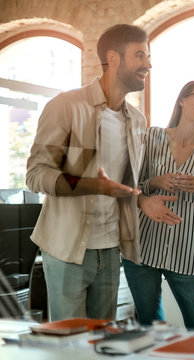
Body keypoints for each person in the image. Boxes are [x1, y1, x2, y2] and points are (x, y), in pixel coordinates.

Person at [25, 24, 178, 321]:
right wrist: (90, 185)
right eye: (140, 55)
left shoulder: (136, 120)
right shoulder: (67, 106)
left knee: (100, 342)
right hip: (67, 248)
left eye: (148, 56)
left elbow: (123, 183)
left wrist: (141, 199)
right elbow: (36, 174)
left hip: (110, 249)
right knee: (70, 345)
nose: (148, 64)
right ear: (114, 57)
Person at [122, 80, 194, 328]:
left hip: (188, 255)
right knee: (151, 328)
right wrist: (155, 181)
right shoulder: (151, 136)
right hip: (143, 250)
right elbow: (128, 188)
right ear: (182, 100)